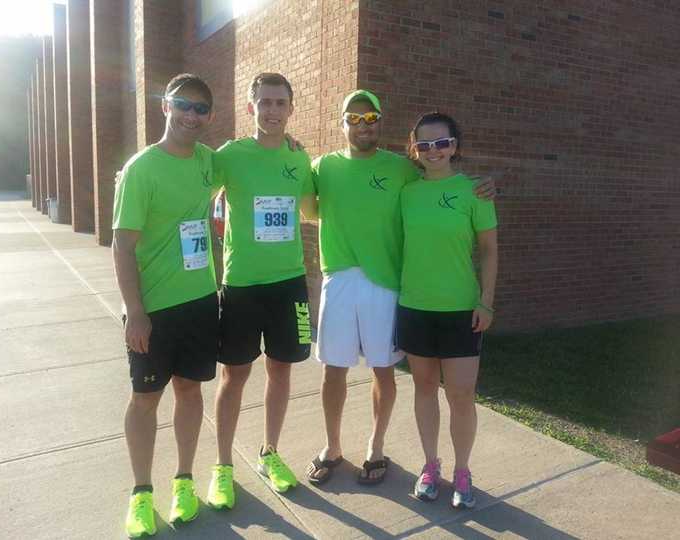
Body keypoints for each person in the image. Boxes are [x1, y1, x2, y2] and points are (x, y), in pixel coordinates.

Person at [305, 91, 495, 486]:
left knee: (383, 372)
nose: (363, 124)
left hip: (387, 284)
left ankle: (376, 448)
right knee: (333, 372)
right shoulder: (321, 166)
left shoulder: (402, 170)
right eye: (353, 118)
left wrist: (488, 185)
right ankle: (332, 447)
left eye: (370, 117)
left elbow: (445, 181)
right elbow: (305, 207)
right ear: (341, 122)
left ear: (380, 121)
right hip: (339, 278)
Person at [113, 74, 219, 537]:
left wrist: (288, 140)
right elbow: (121, 245)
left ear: (208, 116)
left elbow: (257, 161)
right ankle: (140, 493)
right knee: (144, 400)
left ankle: (184, 480)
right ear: (165, 106)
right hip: (152, 311)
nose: (190, 115)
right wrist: (134, 310)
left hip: (199, 302)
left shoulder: (208, 163)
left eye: (199, 109)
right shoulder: (141, 169)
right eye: (182, 105)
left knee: (190, 393)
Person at [206, 73, 316, 509]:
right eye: (265, 103)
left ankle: (270, 452)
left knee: (282, 371)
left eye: (280, 103)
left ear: (291, 109)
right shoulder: (231, 156)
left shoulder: (299, 159)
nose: (272, 111)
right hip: (242, 285)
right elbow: (192, 188)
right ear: (251, 108)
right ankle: (222, 468)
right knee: (234, 376)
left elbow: (315, 209)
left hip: (288, 283)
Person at [397, 112, 498, 508]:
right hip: (415, 307)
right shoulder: (406, 192)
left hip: (460, 310)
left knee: (461, 394)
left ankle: (462, 470)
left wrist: (486, 300)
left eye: (441, 143)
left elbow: (489, 251)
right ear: (414, 149)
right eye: (424, 144)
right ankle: (430, 466)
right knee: (424, 389)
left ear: (455, 145)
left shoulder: (474, 191)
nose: (433, 151)